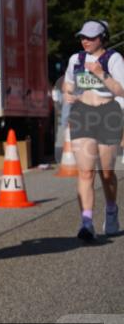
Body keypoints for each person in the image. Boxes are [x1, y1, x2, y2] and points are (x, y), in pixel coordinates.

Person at [62, 20, 124, 240]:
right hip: (82, 115)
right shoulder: (76, 59)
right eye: (82, 37)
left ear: (103, 38)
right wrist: (69, 94)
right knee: (86, 171)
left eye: (91, 37)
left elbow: (122, 90)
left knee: (106, 173)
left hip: (108, 114)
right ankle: (86, 222)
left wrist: (102, 74)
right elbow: (68, 84)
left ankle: (111, 209)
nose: (85, 41)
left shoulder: (113, 59)